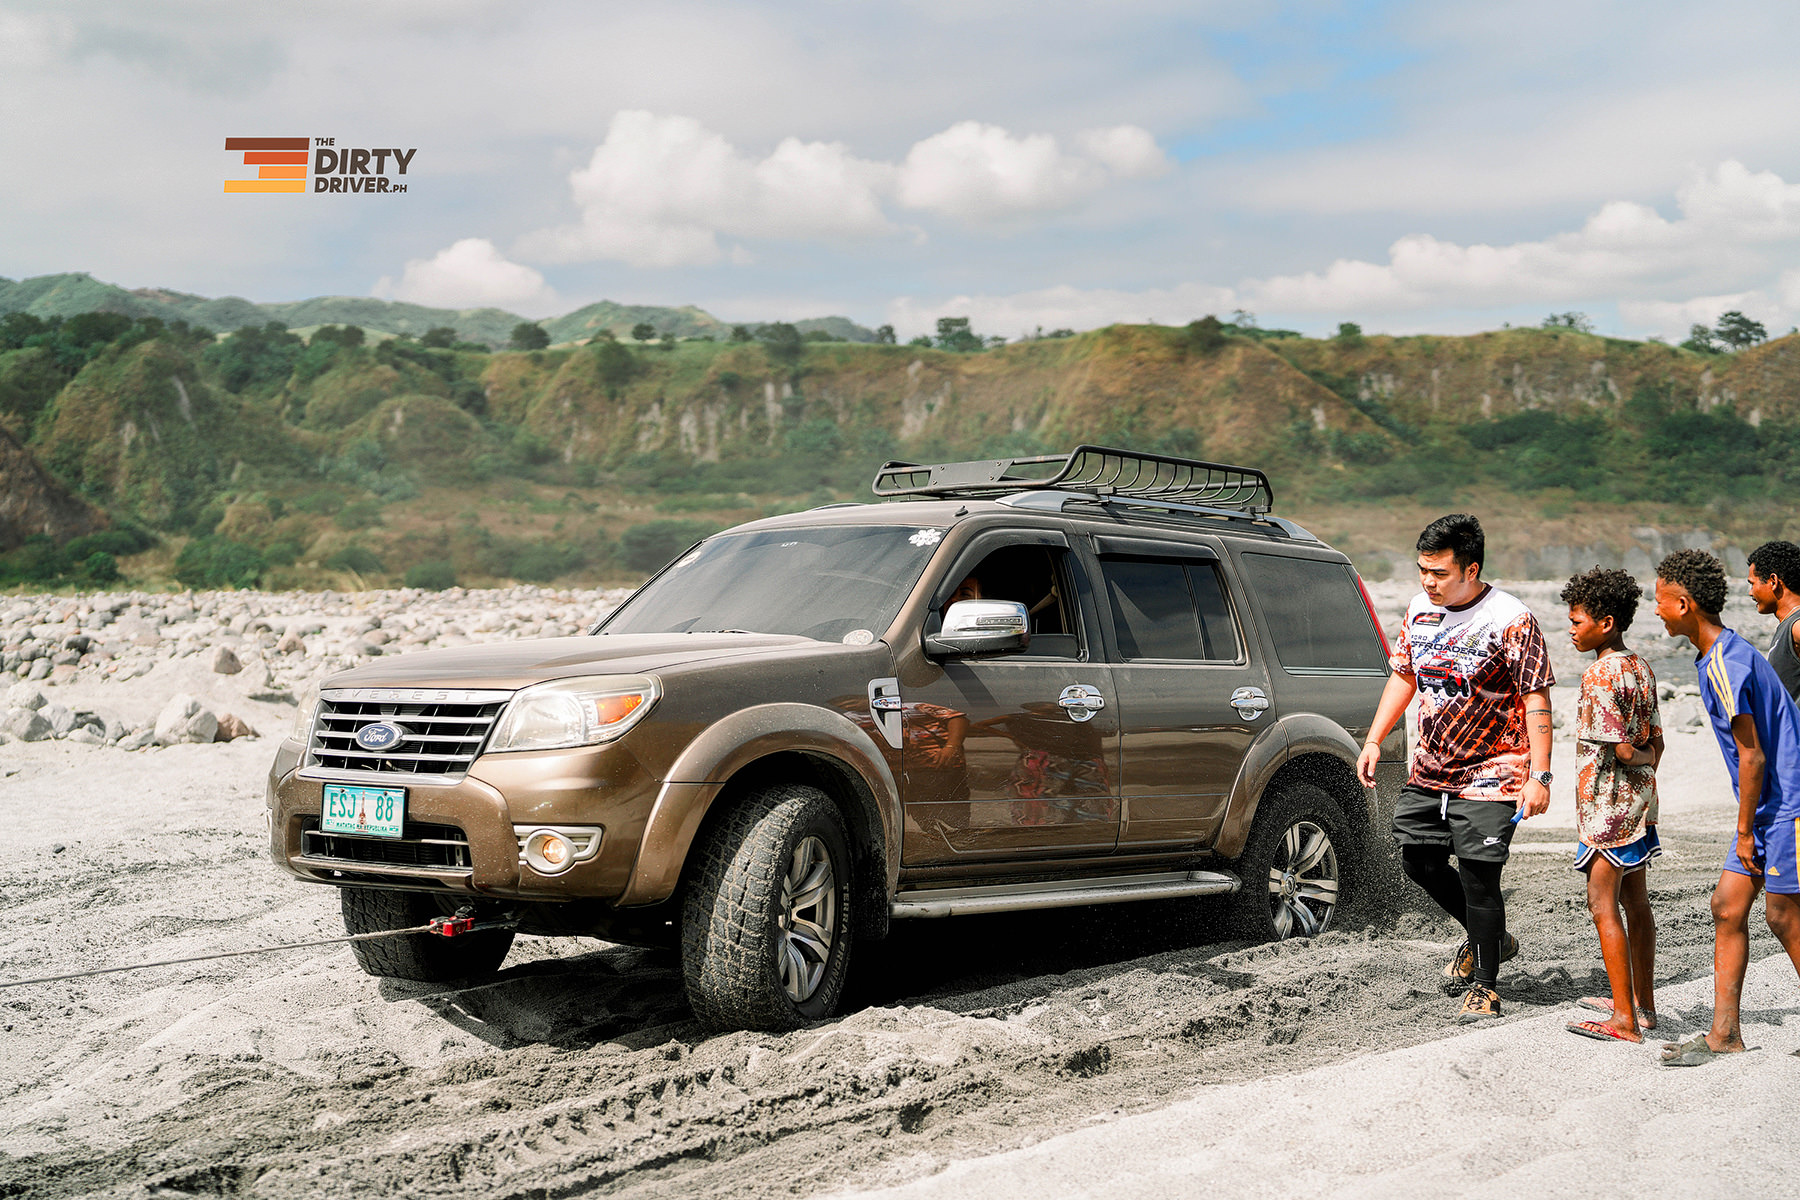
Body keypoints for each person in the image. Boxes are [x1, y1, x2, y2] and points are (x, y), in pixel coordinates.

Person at [1357, 514, 1555, 1023]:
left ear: (1471, 568)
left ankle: (1486, 985)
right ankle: (1492, 938)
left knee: (1478, 877)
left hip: (1496, 769)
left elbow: (1536, 697)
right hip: (1431, 768)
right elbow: (1404, 675)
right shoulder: (1420, 611)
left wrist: (1542, 775)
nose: (1428, 581)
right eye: (1423, 569)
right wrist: (1375, 738)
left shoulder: (1512, 618)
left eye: (1440, 572)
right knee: (1417, 862)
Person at [1652, 549, 1800, 1066]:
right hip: (1767, 810)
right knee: (1728, 907)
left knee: (1783, 917)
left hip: (1787, 807)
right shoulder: (1722, 653)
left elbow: (1753, 756)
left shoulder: (1725, 663)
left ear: (1685, 605)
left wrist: (1743, 831)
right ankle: (1724, 1035)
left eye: (1661, 602)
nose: (1656, 611)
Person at [1560, 567, 1663, 1043]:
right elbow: (1655, 745)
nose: (1570, 627)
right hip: (1640, 805)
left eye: (1577, 620)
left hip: (1607, 809)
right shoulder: (1641, 666)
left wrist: (1632, 756)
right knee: (1636, 904)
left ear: (1605, 622)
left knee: (1602, 904)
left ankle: (1623, 1019)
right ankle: (1644, 1006)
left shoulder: (1600, 674)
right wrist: (1645, 761)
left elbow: (1618, 749)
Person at [1746, 540, 1800, 700]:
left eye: (1752, 584)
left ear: (1773, 581)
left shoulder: (1796, 625)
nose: (1750, 593)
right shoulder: (1788, 624)